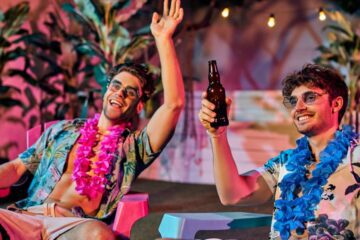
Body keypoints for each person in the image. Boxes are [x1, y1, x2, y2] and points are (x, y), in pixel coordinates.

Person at [0, 0, 184, 239]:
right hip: (27, 216)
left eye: (129, 92)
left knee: (99, 234)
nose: (119, 93)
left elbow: (173, 105)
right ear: (107, 91)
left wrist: (163, 39)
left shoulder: (134, 149)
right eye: (116, 86)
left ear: (139, 105)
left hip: (73, 226)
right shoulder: (62, 130)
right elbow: (16, 167)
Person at [198, 63, 360, 240]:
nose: (298, 108)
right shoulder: (286, 163)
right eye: (293, 101)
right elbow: (233, 195)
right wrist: (218, 135)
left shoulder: (356, 158)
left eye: (310, 97)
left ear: (336, 104)